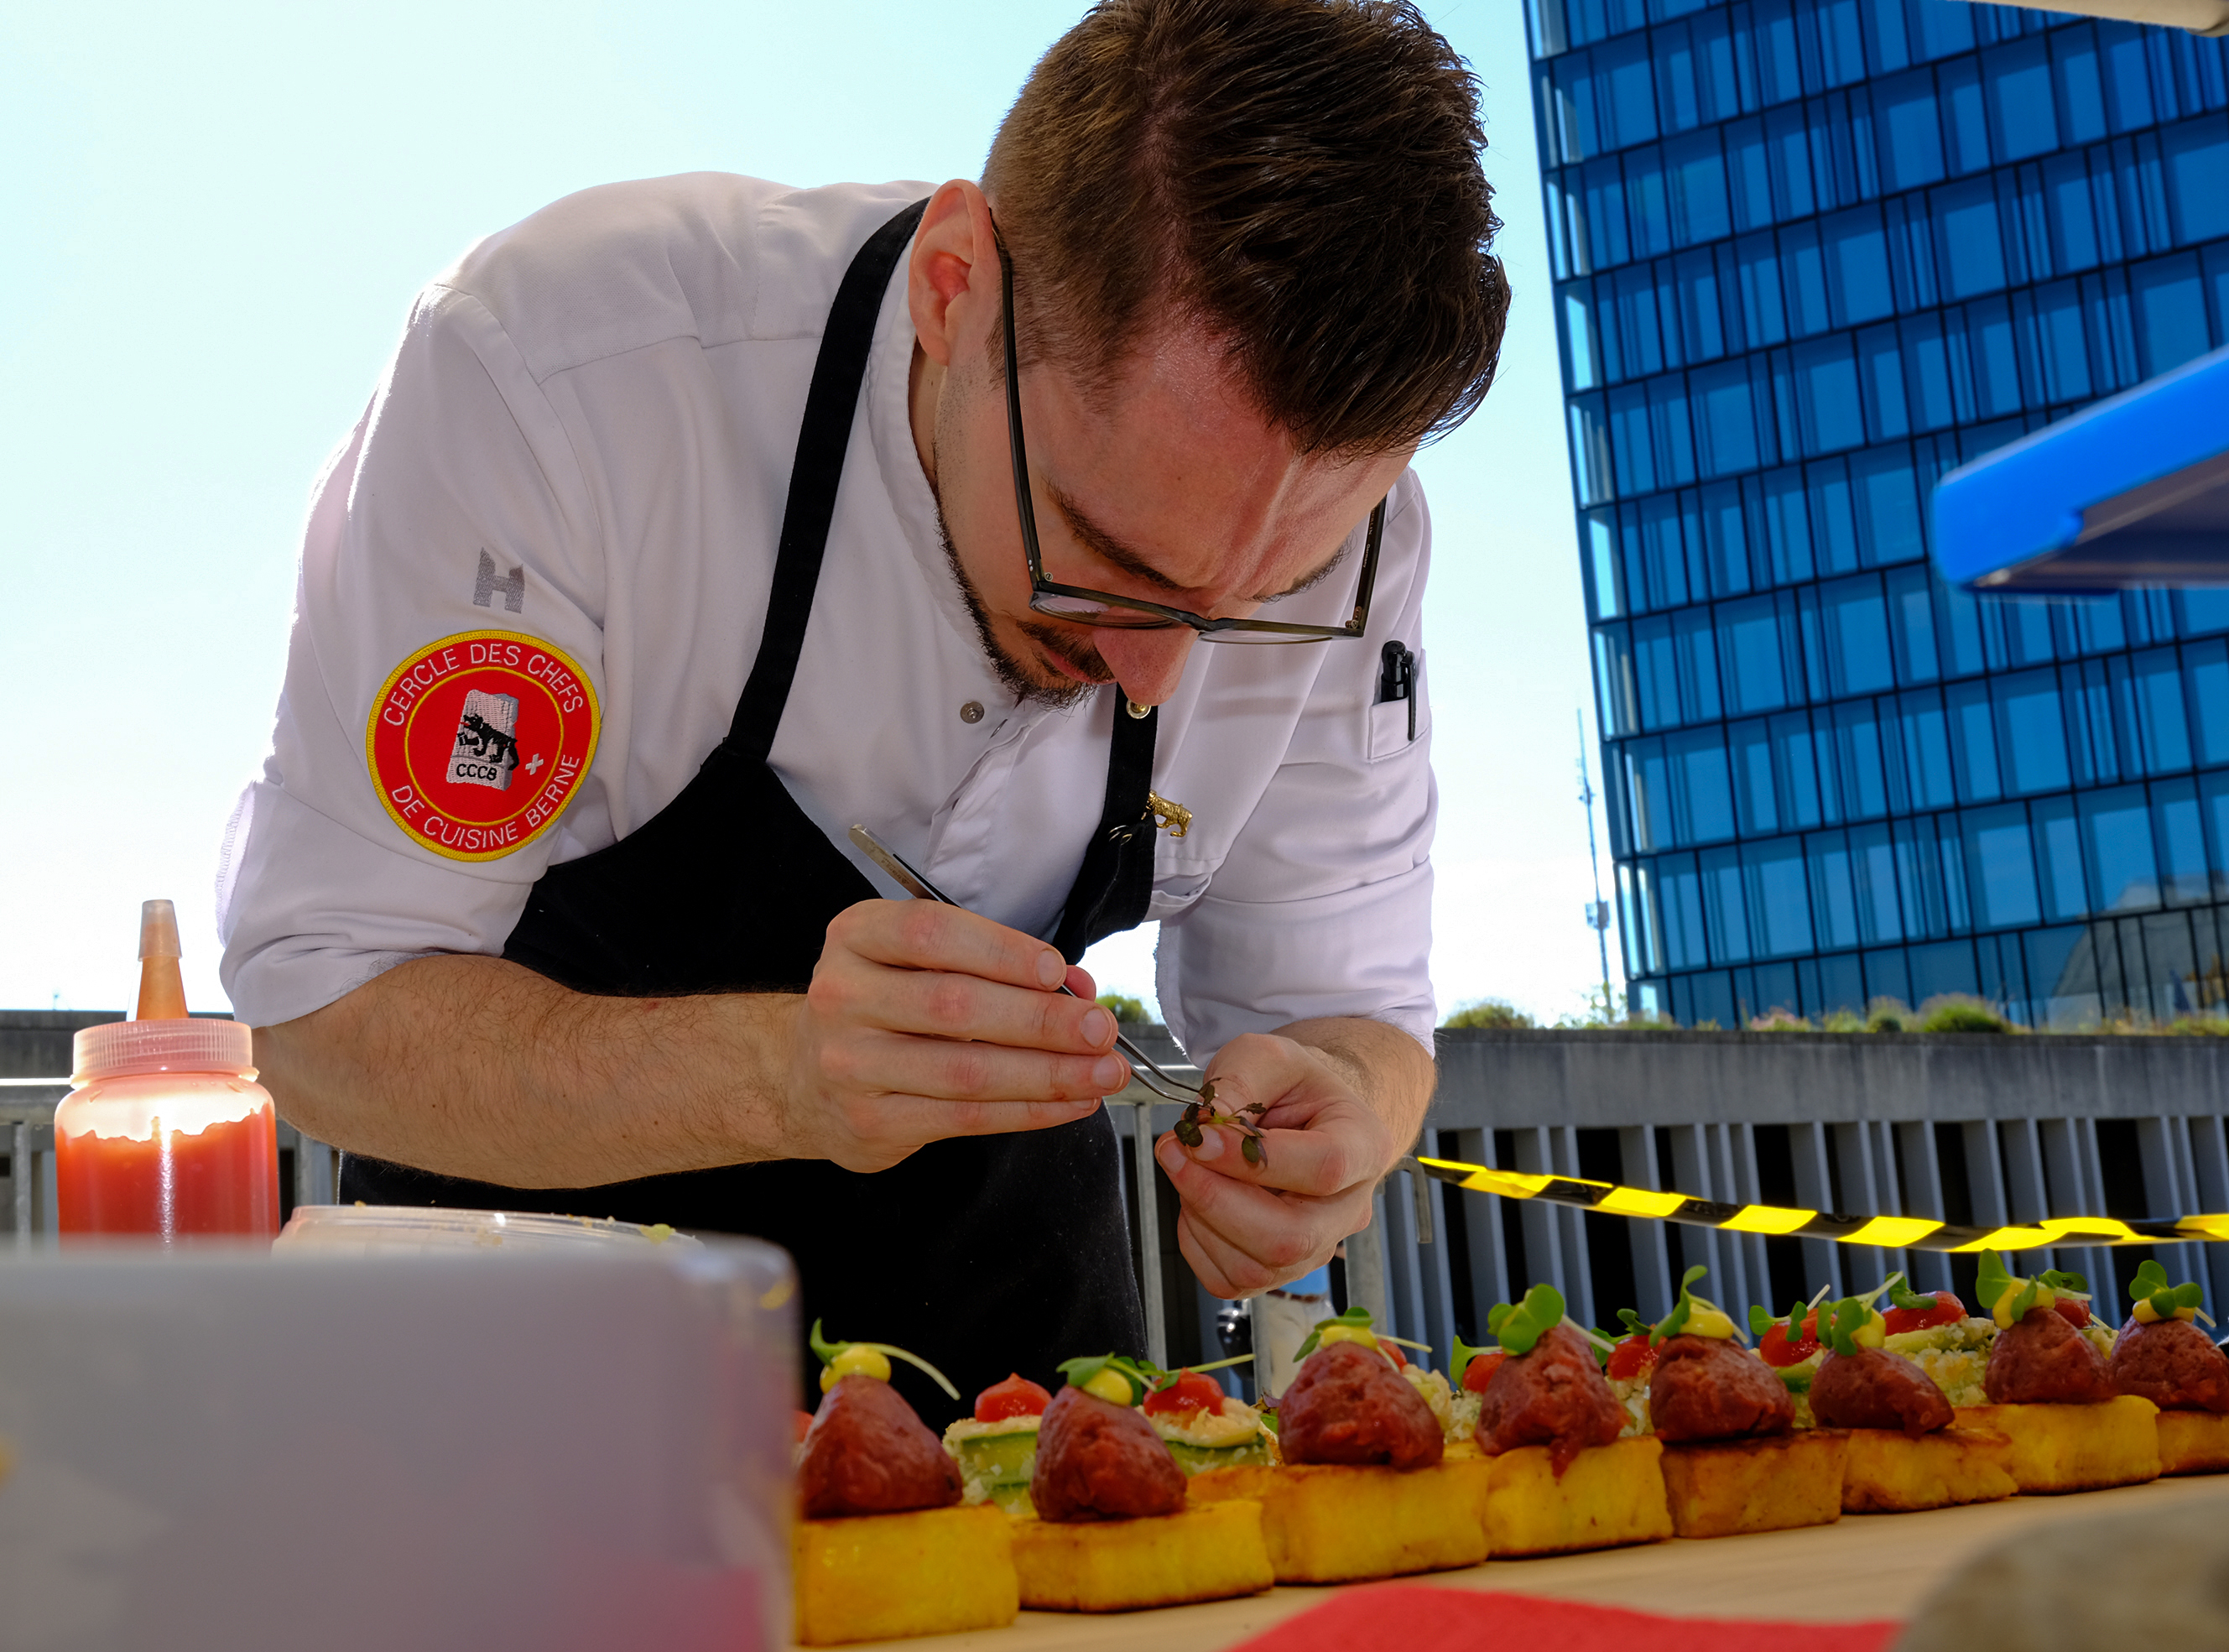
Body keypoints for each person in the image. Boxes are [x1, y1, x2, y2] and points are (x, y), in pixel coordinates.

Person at [217, 0, 1506, 1420]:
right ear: (955, 288)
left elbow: (1347, 1013)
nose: (1155, 678)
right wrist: (780, 1074)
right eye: (1105, 560)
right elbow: (325, 1021)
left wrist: (1335, 1121)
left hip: (1019, 1403)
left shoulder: (1356, 536)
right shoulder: (569, 374)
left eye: (1255, 600)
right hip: (516, 1397)